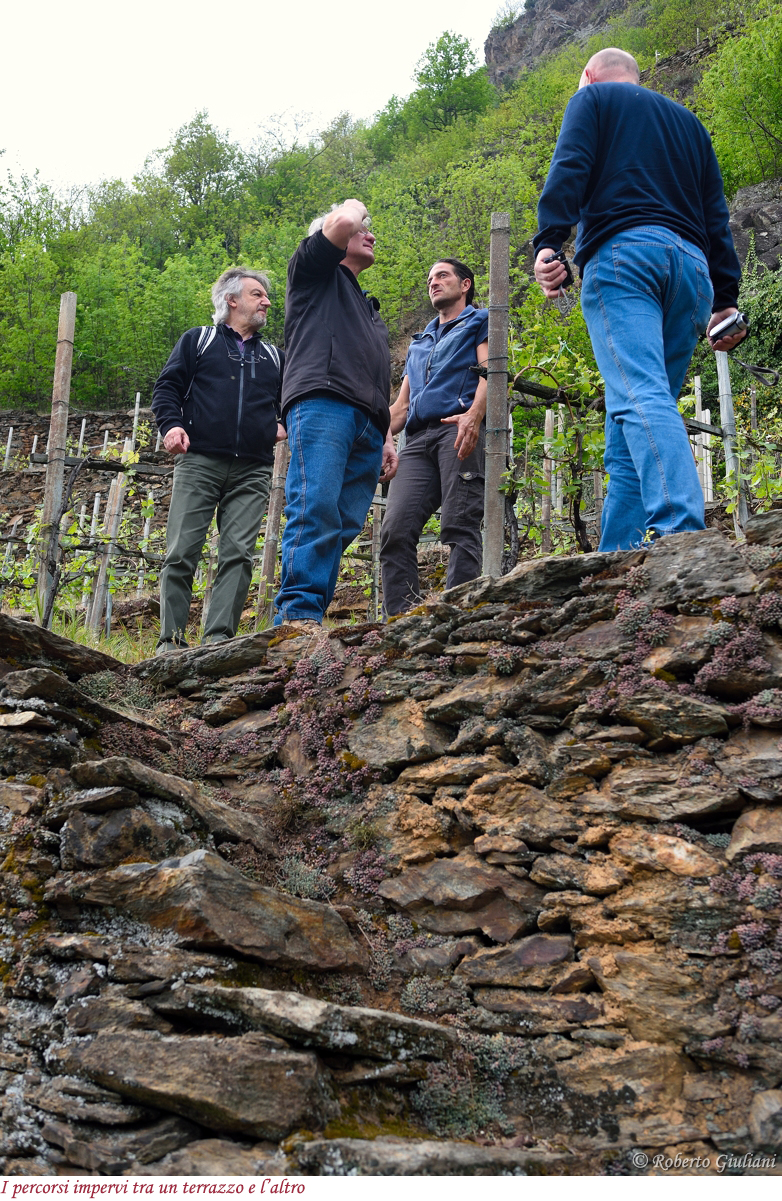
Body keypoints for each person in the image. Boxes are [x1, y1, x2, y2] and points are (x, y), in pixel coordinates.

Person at [533, 47, 747, 551]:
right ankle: (618, 556)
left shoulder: (593, 100)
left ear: (589, 76)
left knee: (638, 396)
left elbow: (571, 165)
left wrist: (549, 241)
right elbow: (716, 212)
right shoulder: (689, 122)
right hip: (692, 271)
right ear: (638, 75)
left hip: (625, 257)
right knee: (638, 416)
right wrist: (726, 298)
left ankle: (681, 532)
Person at [273, 198, 397, 630]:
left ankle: (309, 616)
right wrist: (353, 210)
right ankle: (296, 618)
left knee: (343, 522)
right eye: (365, 227)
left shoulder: (367, 308)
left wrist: (387, 436)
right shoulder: (312, 272)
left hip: (367, 422)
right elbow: (343, 218)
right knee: (315, 507)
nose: (371, 233)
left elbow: (376, 374)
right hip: (323, 404)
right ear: (334, 234)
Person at [151, 267, 285, 653]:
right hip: (200, 462)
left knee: (238, 554)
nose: (267, 302)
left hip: (254, 468)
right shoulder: (199, 340)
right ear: (232, 300)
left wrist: (281, 422)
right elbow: (167, 388)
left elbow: (290, 399)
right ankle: (171, 642)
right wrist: (171, 426)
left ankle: (217, 639)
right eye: (258, 294)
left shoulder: (275, 355)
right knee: (181, 551)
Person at [380, 259, 489, 614]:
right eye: (429, 279)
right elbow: (401, 405)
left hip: (455, 429)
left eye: (442, 276)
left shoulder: (480, 321)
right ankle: (403, 621)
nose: (433, 283)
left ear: (465, 284)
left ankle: (460, 613)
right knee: (394, 530)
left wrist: (474, 415)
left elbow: (492, 371)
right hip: (416, 441)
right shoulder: (420, 342)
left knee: (460, 523)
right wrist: (384, 437)